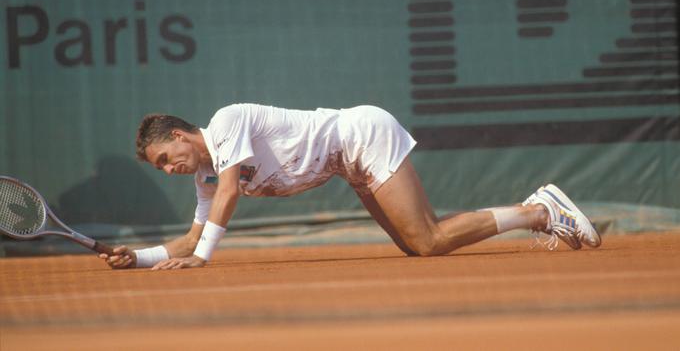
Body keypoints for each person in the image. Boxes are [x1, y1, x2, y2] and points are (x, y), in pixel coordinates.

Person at [100, 103, 601, 270]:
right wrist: (139, 258)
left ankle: (538, 211)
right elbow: (190, 239)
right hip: (348, 163)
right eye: (161, 168)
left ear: (182, 135)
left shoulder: (226, 123)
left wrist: (205, 258)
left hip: (362, 136)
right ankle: (536, 212)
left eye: (167, 158)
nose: (170, 169)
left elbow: (227, 200)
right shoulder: (207, 174)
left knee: (428, 240)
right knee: (418, 248)